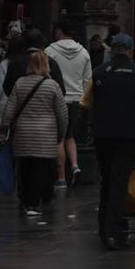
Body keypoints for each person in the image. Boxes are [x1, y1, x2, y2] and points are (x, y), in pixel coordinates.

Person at [80, 33, 135, 250]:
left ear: (112, 50)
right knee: (120, 181)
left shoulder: (99, 73)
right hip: (130, 136)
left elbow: (85, 102)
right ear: (130, 51)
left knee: (107, 180)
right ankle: (115, 231)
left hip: (103, 135)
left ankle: (104, 228)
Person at [2, 49, 67, 217]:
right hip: (46, 136)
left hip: (23, 134)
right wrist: (61, 133)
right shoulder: (53, 86)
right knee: (42, 169)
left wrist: (5, 128)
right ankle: (35, 202)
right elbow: (62, 113)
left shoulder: (20, 83)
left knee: (24, 168)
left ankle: (26, 201)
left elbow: (9, 110)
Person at [45, 23, 91, 188]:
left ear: (59, 31)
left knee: (59, 137)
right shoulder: (84, 53)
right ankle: (75, 166)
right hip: (76, 100)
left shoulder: (50, 51)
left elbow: (45, 74)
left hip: (57, 99)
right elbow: (88, 80)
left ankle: (61, 177)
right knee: (70, 135)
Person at [3, 29, 65, 96]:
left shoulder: (16, 63)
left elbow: (7, 88)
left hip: (22, 105)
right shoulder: (51, 63)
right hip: (46, 105)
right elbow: (61, 91)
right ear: (42, 43)